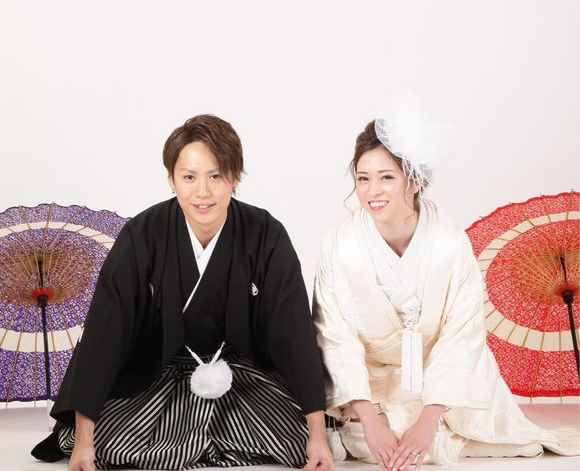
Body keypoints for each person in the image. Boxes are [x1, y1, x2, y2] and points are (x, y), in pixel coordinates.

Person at [33, 114, 333, 471]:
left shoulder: (266, 233)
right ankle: (214, 442)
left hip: (237, 374)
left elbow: (293, 331)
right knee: (106, 441)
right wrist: (85, 439)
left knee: (296, 438)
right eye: (189, 177)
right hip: (157, 374)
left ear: (235, 177)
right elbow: (105, 331)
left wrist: (317, 434)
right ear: (171, 179)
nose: (202, 191)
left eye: (215, 176)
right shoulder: (142, 234)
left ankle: (190, 444)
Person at [312, 112, 579, 470]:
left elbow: (462, 333)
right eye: (363, 178)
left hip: (438, 375)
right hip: (372, 381)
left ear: (414, 180)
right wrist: (369, 419)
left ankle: (432, 427)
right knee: (369, 440)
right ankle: (373, 426)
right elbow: (335, 336)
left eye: (386, 177)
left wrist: (428, 419)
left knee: (502, 440)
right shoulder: (340, 246)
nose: (372, 191)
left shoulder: (449, 243)